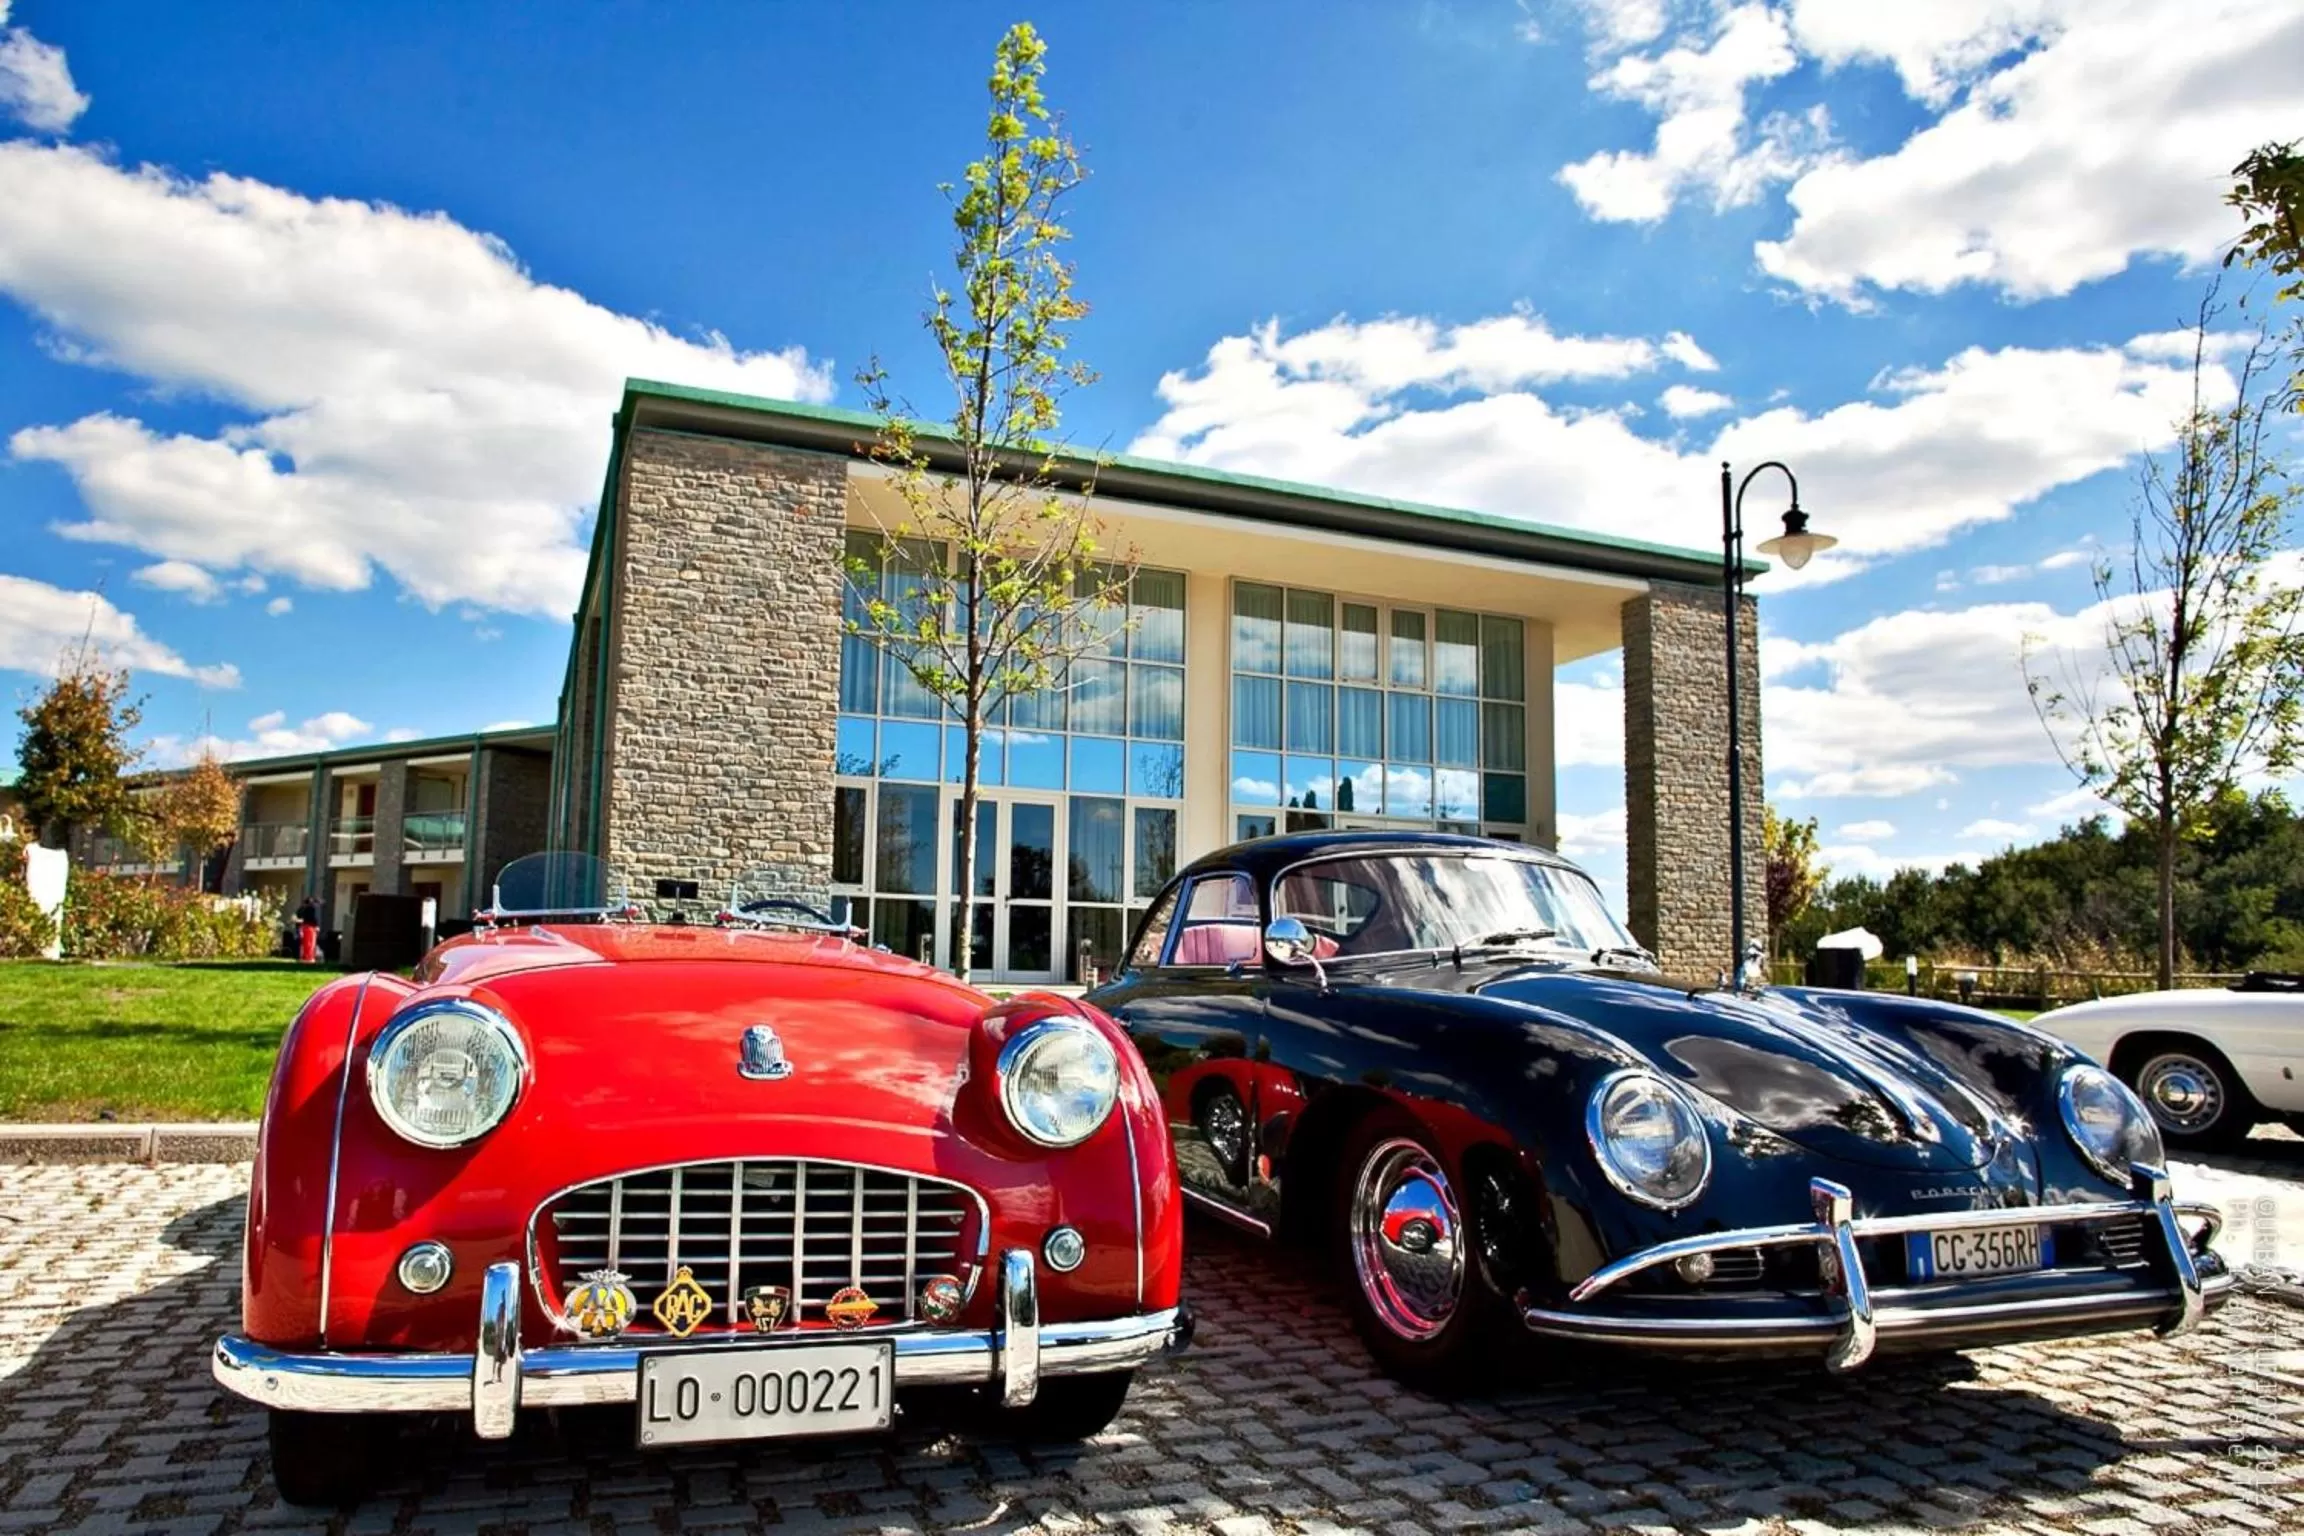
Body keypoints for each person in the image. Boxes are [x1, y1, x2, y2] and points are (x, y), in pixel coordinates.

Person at [295, 894, 320, 965]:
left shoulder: (302, 909)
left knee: (305, 943)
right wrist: (316, 926)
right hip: (310, 928)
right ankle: (309, 958)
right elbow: (313, 918)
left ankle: (305, 957)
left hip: (304, 927)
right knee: (310, 943)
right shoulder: (311, 909)